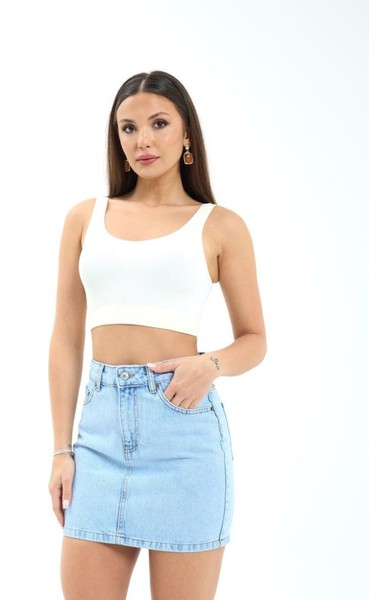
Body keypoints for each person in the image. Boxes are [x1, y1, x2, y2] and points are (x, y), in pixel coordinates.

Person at [48, 70, 266, 600]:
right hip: (98, 440)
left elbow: (254, 339)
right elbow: (66, 339)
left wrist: (210, 364)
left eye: (159, 124)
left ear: (187, 133)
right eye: (128, 128)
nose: (142, 140)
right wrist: (60, 450)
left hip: (184, 438)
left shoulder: (220, 225)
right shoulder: (85, 218)